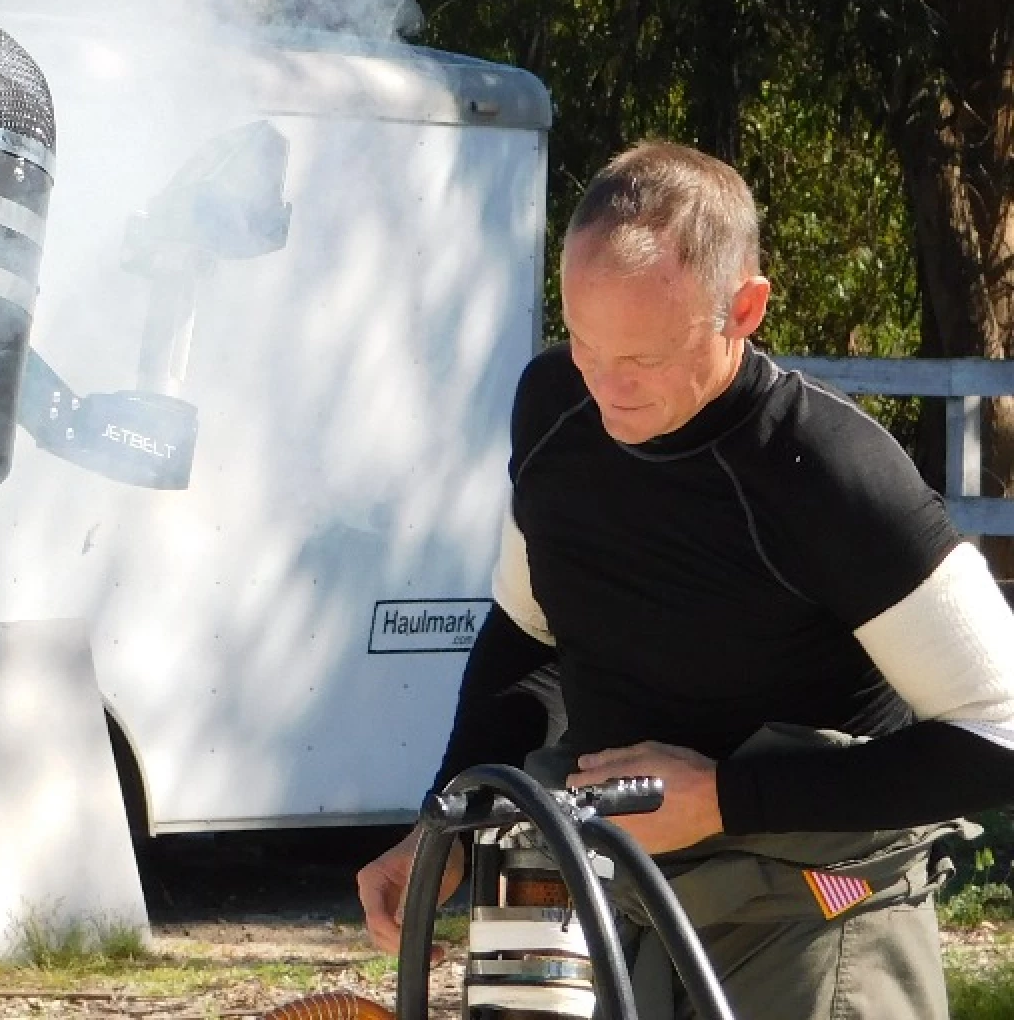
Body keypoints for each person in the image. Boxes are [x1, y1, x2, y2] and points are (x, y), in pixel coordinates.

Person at [357, 141, 1014, 1020]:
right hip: (629, 909)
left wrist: (727, 798)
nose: (607, 388)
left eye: (645, 358)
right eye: (584, 341)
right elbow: (528, 639)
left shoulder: (827, 473)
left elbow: (1001, 730)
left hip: (817, 924)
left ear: (742, 309)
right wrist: (444, 820)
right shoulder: (555, 407)